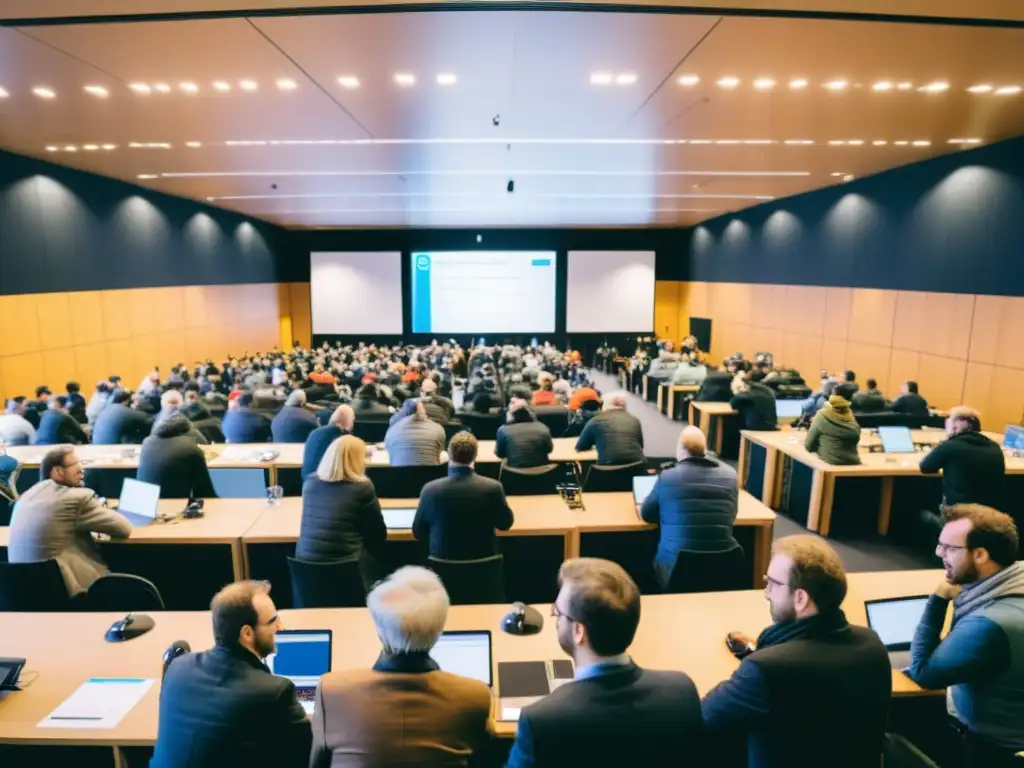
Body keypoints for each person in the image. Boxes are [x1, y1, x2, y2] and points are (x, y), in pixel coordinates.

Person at [701, 535, 891, 768]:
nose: (766, 593)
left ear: (801, 598)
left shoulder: (764, 670)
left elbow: (704, 716)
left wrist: (756, 663)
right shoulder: (872, 644)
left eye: (772, 583)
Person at [507, 558, 704, 767]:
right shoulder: (682, 690)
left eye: (558, 613)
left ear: (578, 632)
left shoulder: (540, 720)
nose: (556, 620)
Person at [310, 567, 492, 767]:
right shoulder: (476, 695)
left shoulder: (331, 690)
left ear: (380, 632)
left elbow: (318, 763)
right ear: (438, 631)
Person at [907, 505, 1024, 767]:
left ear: (980, 554)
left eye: (949, 548)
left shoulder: (989, 624)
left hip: (992, 752)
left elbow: (923, 672)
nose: (939, 553)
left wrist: (938, 599)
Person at [151, 581, 312, 767]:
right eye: (273, 621)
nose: (281, 628)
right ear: (247, 634)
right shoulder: (274, 691)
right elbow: (306, 756)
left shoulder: (177, 667)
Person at [7, 446, 132, 597]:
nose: (81, 469)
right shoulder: (77, 498)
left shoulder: (26, 496)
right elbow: (124, 528)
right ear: (57, 472)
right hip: (67, 591)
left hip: (22, 593)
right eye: (74, 465)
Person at [640, 426, 739, 588]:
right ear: (705, 450)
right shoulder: (730, 475)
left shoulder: (668, 477)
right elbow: (733, 514)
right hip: (723, 566)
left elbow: (646, 514)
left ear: (681, 450)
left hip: (675, 570)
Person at [297, 435, 386, 589]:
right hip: (348, 568)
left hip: (305, 566)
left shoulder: (310, 483)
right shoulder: (362, 488)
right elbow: (378, 534)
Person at [413, 432, 514, 559]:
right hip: (485, 569)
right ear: (475, 456)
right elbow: (505, 524)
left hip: (443, 570)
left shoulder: (429, 490)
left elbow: (418, 532)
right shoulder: (493, 488)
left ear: (448, 454)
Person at [920, 406, 1005, 510]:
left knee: (918, 512)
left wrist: (945, 442)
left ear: (955, 428)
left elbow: (925, 467)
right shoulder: (994, 446)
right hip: (990, 515)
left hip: (959, 513)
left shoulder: (949, 446)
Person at [136, 414, 216, 499]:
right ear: (188, 431)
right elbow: (205, 492)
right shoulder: (190, 448)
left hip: (144, 502)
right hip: (173, 507)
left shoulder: (147, 441)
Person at [575, 392, 645, 466]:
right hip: (637, 468)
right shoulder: (634, 420)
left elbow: (580, 447)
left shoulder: (595, 421)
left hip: (607, 471)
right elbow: (640, 446)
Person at [804, 383, 862, 465]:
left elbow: (808, 446)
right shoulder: (850, 416)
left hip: (831, 464)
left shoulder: (822, 415)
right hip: (854, 462)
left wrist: (822, 448)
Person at [302, 404, 354, 481]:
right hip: (326, 485)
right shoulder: (342, 438)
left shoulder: (315, 432)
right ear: (348, 422)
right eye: (352, 420)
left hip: (307, 484)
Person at [495, 399, 554, 469]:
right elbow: (549, 449)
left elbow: (500, 454)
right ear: (530, 413)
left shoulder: (503, 430)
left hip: (515, 474)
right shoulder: (543, 427)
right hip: (542, 474)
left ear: (510, 416)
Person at [384, 402, 445, 466]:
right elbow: (438, 454)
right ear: (422, 411)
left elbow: (392, 457)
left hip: (398, 474)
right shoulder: (438, 428)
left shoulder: (392, 430)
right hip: (431, 474)